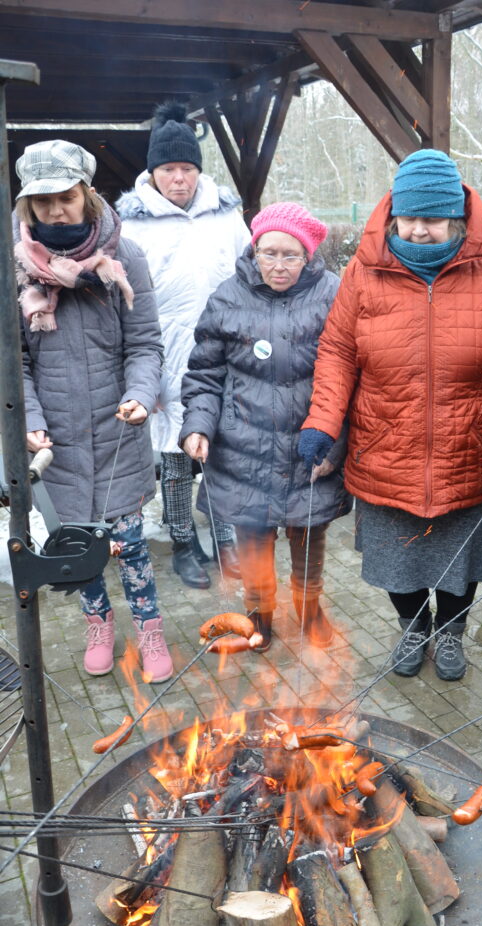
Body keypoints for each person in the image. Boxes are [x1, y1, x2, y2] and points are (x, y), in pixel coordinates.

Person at [299, 149, 482, 682]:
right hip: (385, 447)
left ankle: (450, 632)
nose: (419, 230)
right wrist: (322, 424)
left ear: (457, 218)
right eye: (410, 217)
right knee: (397, 561)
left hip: (466, 450)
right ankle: (412, 626)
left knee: (458, 563)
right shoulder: (363, 271)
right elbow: (337, 352)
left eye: (433, 219)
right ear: (394, 212)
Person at [14, 139, 173, 682]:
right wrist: (31, 420)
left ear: (86, 194)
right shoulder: (16, 268)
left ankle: (149, 630)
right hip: (56, 443)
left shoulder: (125, 258)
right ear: (27, 208)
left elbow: (146, 344)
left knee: (130, 547)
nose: (56, 211)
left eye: (65, 198)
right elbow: (15, 366)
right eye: (42, 202)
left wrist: (139, 392)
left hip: (117, 432)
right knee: (78, 547)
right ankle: (98, 624)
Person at [180, 202, 351, 651]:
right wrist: (199, 424)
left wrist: (335, 449)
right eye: (268, 253)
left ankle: (310, 611)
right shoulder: (226, 297)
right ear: (254, 250)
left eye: (290, 255)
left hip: (310, 447)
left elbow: (354, 377)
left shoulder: (335, 293)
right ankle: (260, 617)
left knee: (308, 544)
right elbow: (204, 374)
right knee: (254, 547)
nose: (278, 265)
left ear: (309, 255)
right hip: (243, 450)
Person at [117, 102, 249, 589]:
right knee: (176, 460)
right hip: (165, 356)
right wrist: (138, 379)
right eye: (169, 169)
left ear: (198, 170)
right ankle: (182, 543)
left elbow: (250, 277)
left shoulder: (226, 218)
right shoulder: (131, 228)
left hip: (223, 356)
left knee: (224, 453)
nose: (179, 179)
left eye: (187, 168)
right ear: (153, 172)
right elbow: (121, 307)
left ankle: (226, 537)